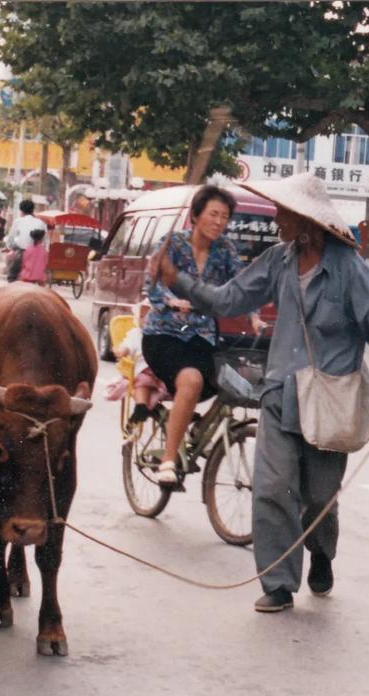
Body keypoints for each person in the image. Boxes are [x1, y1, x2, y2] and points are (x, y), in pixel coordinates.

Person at [157, 171, 369, 613]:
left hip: (329, 401)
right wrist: (180, 282)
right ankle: (278, 583)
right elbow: (231, 299)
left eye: (283, 215)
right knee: (271, 488)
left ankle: (322, 554)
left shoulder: (348, 268)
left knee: (318, 500)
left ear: (307, 221)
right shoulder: (278, 260)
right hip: (279, 394)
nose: (276, 222)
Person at [142, 185, 243, 486]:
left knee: (235, 381)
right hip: (164, 334)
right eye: (213, 214)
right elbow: (154, 282)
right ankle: (169, 461)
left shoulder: (226, 250)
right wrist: (171, 300)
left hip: (202, 336)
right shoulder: (171, 243)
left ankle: (196, 430)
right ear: (195, 216)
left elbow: (241, 285)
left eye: (225, 216)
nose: (219, 222)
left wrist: (252, 312)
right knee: (192, 380)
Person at [4, 198, 46, 282]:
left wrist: (9, 246)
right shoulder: (41, 223)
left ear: (21, 210)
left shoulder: (18, 221)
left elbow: (10, 239)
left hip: (22, 253)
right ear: (32, 210)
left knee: (11, 276)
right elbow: (44, 242)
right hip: (38, 255)